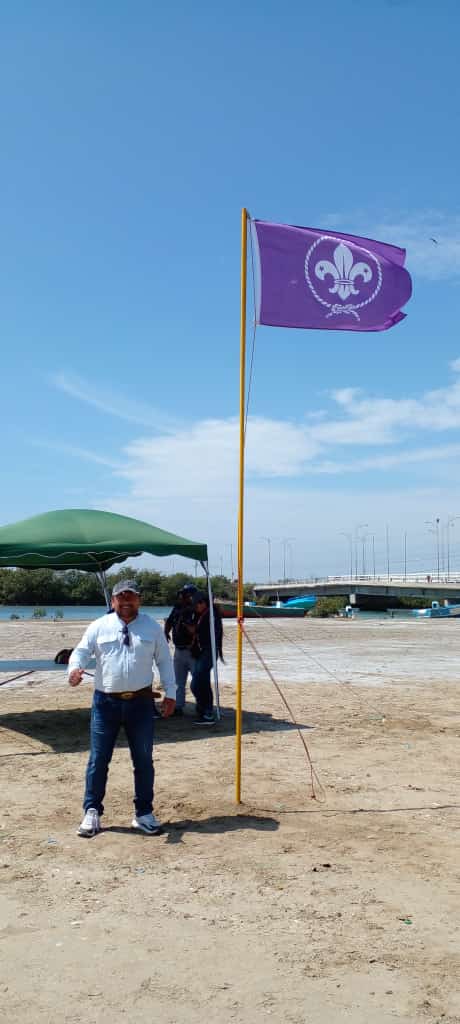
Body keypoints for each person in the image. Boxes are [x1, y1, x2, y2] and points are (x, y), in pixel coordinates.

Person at [68, 580, 175, 838]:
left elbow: (164, 661)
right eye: (121, 597)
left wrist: (171, 694)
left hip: (141, 703)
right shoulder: (99, 626)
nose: (126, 601)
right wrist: (74, 670)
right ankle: (92, 811)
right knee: (98, 759)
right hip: (106, 704)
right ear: (113, 600)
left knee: (143, 759)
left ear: (139, 599)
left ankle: (144, 813)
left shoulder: (152, 627)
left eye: (131, 596)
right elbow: (80, 652)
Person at [190, 590, 223, 725]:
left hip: (208, 651)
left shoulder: (211, 615)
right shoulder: (204, 614)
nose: (195, 607)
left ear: (204, 603)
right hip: (204, 652)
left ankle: (207, 711)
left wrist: (194, 631)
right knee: (201, 682)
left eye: (197, 604)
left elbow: (208, 634)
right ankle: (204, 709)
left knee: (198, 683)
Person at [164, 583, 197, 715]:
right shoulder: (177, 607)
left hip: (193, 651)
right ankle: (178, 707)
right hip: (179, 650)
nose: (181, 596)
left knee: (197, 681)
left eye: (184, 594)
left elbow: (197, 630)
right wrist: (166, 632)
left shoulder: (197, 609)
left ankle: (202, 707)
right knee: (178, 681)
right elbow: (169, 621)